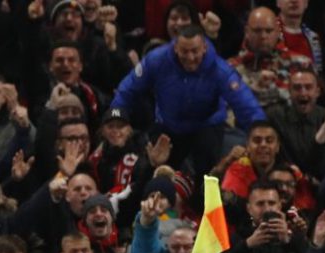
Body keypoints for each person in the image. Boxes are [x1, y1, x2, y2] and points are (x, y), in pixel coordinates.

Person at [112, 25, 265, 174]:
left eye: (195, 51)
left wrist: (261, 134)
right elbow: (128, 89)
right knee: (157, 171)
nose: (190, 57)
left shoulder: (220, 69)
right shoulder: (156, 60)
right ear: (176, 48)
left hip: (207, 126)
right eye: (185, 51)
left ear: (204, 48)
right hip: (168, 126)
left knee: (207, 175)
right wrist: (114, 119)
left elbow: (246, 104)